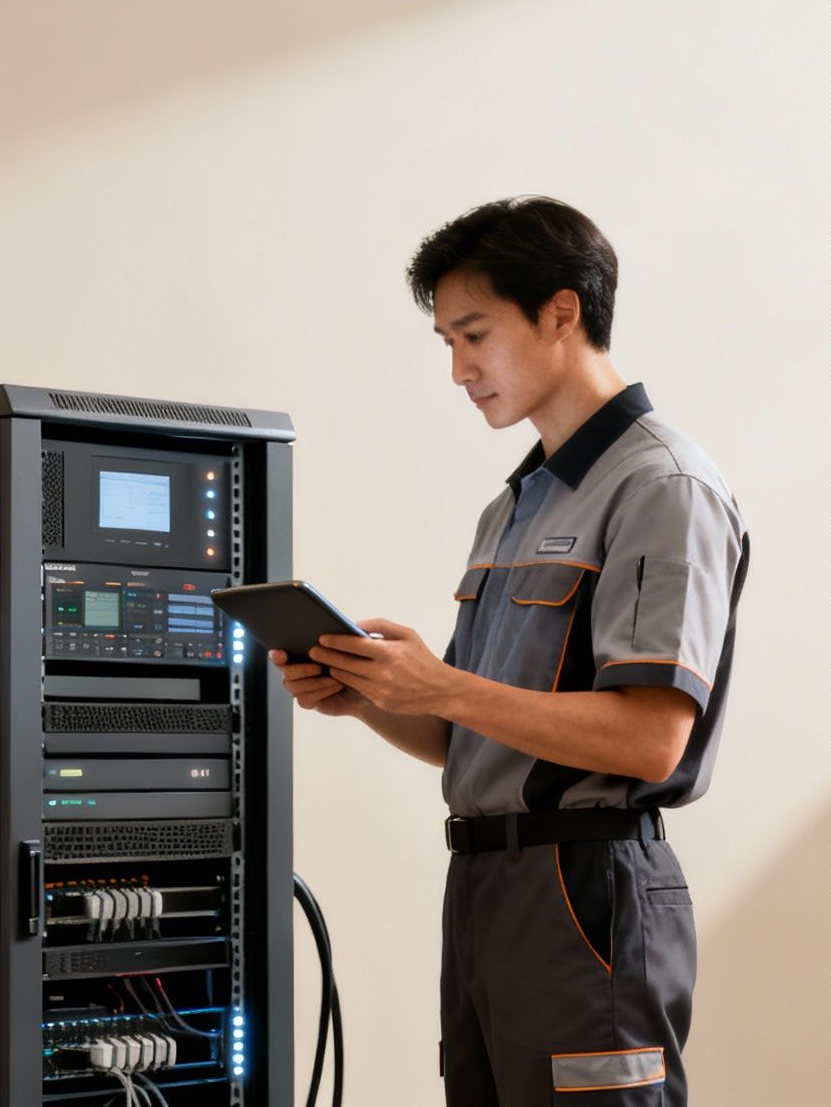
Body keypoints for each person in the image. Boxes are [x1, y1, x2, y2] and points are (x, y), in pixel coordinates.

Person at [270, 197, 749, 1106]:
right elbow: (473, 737)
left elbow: (650, 740)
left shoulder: (662, 487)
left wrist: (442, 684)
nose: (458, 369)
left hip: (587, 889)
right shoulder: (516, 506)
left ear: (560, 313)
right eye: (446, 342)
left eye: (473, 334)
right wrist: (373, 695)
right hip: (488, 890)